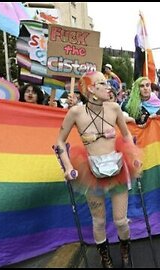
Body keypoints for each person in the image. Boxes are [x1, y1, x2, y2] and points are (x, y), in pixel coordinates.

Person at [55, 71, 141, 268]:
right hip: (90, 172)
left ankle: (125, 249)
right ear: (91, 89)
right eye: (102, 83)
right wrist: (68, 167)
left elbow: (127, 136)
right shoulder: (76, 112)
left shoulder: (115, 108)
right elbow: (59, 141)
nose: (108, 85)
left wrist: (134, 156)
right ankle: (105, 257)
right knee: (99, 221)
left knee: (121, 222)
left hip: (118, 169)